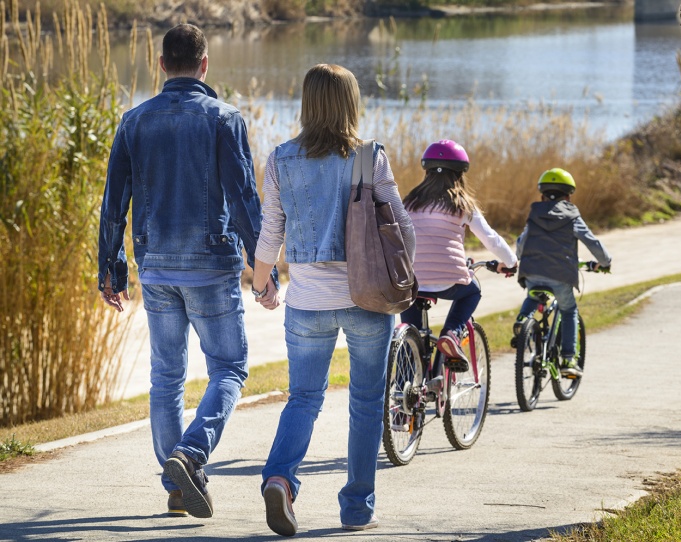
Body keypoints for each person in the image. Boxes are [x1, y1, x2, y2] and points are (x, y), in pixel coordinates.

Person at [97, 24, 276, 519]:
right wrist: (264, 270)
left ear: (160, 65)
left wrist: (111, 270)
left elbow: (114, 203)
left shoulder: (133, 121)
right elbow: (244, 199)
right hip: (211, 268)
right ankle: (191, 454)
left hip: (155, 268)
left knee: (166, 377)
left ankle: (177, 489)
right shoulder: (224, 118)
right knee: (230, 368)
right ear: (204, 65)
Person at [250, 63, 414, 537]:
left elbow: (269, 238)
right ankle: (357, 508)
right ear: (350, 103)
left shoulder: (281, 158)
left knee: (303, 398)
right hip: (368, 299)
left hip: (307, 302)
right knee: (365, 403)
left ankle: (280, 478)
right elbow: (401, 226)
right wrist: (405, 277)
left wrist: (262, 286)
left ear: (307, 102)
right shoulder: (368, 157)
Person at [400, 140, 518, 371]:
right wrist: (511, 262)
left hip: (411, 282)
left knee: (410, 334)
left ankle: (405, 390)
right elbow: (490, 238)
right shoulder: (462, 205)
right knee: (472, 290)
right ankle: (452, 334)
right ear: (460, 174)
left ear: (427, 171)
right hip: (449, 282)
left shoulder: (409, 203)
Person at [514, 168, 612, 378]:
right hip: (560, 275)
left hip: (532, 271)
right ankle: (568, 359)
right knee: (569, 311)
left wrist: (519, 257)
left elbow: (522, 242)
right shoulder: (571, 216)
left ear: (542, 195)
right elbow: (591, 241)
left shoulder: (534, 214)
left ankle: (523, 320)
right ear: (568, 196)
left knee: (533, 294)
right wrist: (605, 261)